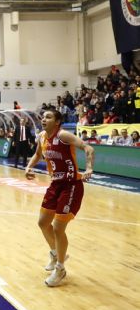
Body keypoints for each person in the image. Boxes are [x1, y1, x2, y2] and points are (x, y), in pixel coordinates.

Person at [24, 110, 94, 287]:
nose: (43, 120)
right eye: (43, 117)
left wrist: (89, 168)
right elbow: (38, 154)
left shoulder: (63, 135)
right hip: (55, 184)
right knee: (42, 222)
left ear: (57, 122)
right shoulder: (41, 137)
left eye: (48, 117)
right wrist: (29, 167)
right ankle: (55, 254)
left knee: (57, 227)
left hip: (71, 185)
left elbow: (88, 148)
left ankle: (60, 268)